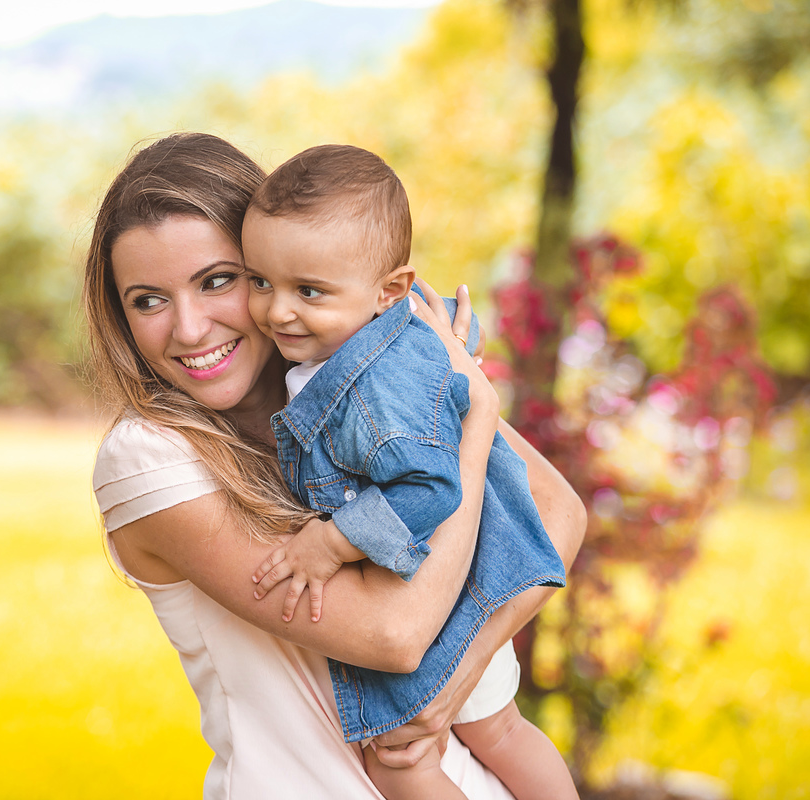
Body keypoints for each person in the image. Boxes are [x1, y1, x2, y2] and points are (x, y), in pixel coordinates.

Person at [86, 132, 587, 799]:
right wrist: (477, 415)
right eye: (147, 300)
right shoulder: (147, 458)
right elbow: (395, 636)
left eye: (217, 281)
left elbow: (559, 512)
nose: (190, 328)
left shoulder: (366, 373)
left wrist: (457, 684)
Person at [240, 144, 578, 800]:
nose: (277, 311)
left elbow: (429, 485)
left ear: (389, 290)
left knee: (402, 761)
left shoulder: (375, 393)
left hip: (450, 594)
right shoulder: (369, 335)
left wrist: (331, 542)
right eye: (260, 282)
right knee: (502, 731)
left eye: (308, 291)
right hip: (463, 583)